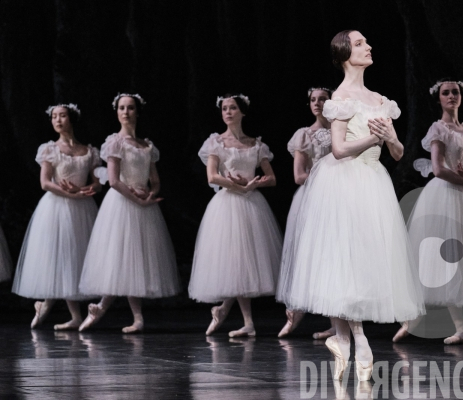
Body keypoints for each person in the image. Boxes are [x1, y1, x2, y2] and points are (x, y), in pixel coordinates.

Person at [280, 30, 424, 381]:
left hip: (373, 181)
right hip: (344, 181)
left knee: (363, 260)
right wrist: (376, 136)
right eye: (360, 43)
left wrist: (391, 139)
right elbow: (339, 149)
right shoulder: (340, 98)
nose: (368, 46)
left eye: (366, 42)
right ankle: (355, 337)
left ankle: (343, 338)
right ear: (345, 53)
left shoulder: (379, 100)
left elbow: (399, 154)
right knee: (344, 259)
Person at [394, 79, 463, 344]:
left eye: (455, 92)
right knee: (441, 258)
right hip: (445, 195)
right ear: (439, 99)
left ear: (461, 96)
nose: (451, 96)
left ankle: (458, 328)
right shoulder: (438, 129)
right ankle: (424, 320)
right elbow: (438, 169)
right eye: (446, 93)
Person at [78, 93, 180, 333]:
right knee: (120, 258)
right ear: (117, 112)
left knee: (136, 260)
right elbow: (113, 180)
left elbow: (155, 180)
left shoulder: (147, 145)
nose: (126, 112)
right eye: (122, 108)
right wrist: (137, 198)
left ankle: (133, 317)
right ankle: (105, 308)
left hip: (142, 204)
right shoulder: (115, 142)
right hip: (122, 204)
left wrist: (149, 193)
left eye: (130, 108)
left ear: (137, 111)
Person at [188, 93, 282, 337]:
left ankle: (233, 316)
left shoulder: (256, 144)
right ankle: (244, 320)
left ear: (242, 112)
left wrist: (251, 183)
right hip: (228, 204)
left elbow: (271, 178)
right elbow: (212, 176)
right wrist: (238, 185)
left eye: (232, 108)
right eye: (224, 109)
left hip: (251, 205)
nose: (227, 112)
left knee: (244, 262)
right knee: (233, 261)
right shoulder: (216, 142)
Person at [12, 104, 101, 330]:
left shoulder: (89, 151)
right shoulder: (49, 149)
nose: (58, 120)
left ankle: (63, 312)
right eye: (54, 117)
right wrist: (70, 193)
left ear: (71, 119)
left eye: (62, 116)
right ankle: (66, 313)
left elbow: (98, 182)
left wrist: (88, 189)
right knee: (61, 256)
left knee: (76, 257)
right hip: (57, 208)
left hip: (82, 209)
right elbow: (45, 182)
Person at [276, 87, 335, 339]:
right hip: (310, 198)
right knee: (305, 255)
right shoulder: (304, 135)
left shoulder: (340, 132)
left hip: (335, 198)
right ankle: (295, 313)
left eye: (322, 99)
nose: (317, 103)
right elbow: (299, 176)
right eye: (313, 99)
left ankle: (336, 321)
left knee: (331, 258)